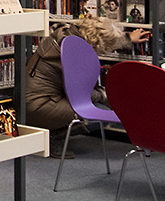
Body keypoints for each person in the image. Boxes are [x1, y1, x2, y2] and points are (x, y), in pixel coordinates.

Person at [24, 17, 149, 155]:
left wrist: (127, 38)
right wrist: (106, 96)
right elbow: (81, 95)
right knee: (96, 110)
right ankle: (53, 137)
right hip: (40, 107)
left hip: (31, 102)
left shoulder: (67, 35)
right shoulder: (74, 55)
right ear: (99, 44)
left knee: (102, 99)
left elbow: (100, 34)